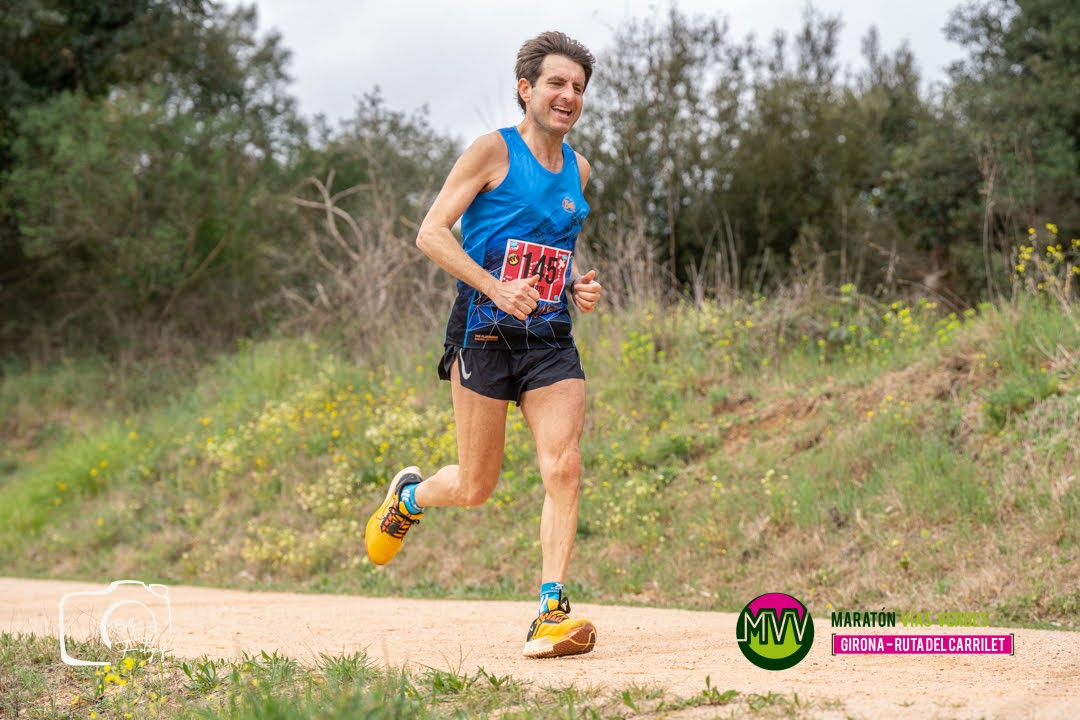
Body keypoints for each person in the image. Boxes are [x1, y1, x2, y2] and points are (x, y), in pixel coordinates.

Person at [364, 30, 603, 659]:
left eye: (577, 87)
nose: (567, 95)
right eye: (556, 83)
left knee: (565, 464)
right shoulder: (491, 152)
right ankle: (410, 497)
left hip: (549, 335)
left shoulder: (579, 169)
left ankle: (551, 610)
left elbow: (551, 245)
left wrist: (575, 284)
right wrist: (495, 287)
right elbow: (432, 233)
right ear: (525, 89)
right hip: (483, 328)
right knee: (475, 486)